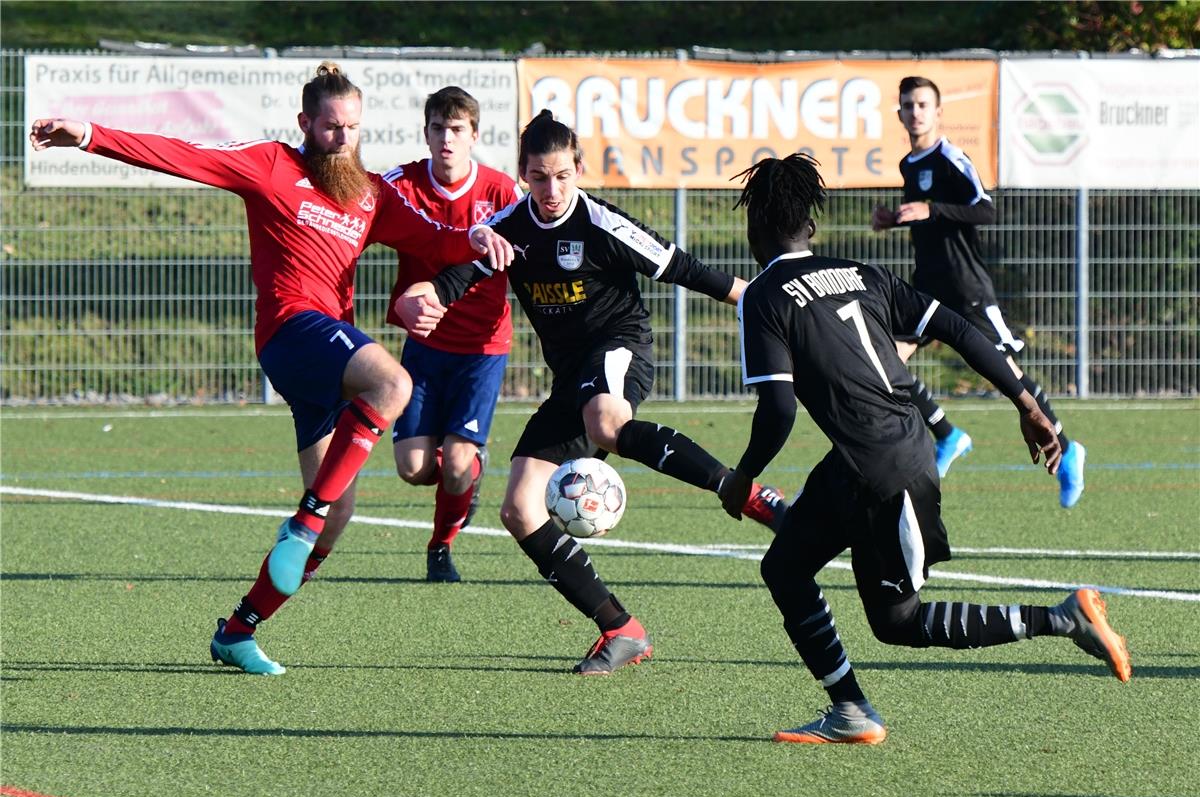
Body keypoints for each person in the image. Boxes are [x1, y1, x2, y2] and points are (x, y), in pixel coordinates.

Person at [29, 62, 514, 676]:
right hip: (292, 330)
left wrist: (476, 241)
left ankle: (238, 629)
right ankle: (301, 521)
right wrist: (91, 134)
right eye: (332, 127)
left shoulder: (368, 193)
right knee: (392, 384)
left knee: (339, 514)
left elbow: (434, 238)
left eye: (354, 129)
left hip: (327, 357)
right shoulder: (271, 164)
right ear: (305, 123)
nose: (343, 139)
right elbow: (182, 155)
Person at [720, 153, 1130, 745]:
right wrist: (1031, 406)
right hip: (890, 450)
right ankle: (849, 711)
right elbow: (961, 331)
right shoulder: (862, 274)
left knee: (898, 623)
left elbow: (779, 409)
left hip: (880, 472)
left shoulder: (765, 296)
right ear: (811, 227)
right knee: (785, 564)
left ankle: (1061, 619)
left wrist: (742, 477)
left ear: (754, 228)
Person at [397, 110, 788, 676]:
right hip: (571, 381)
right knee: (519, 508)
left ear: (578, 169)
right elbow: (461, 277)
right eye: (538, 177)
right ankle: (620, 628)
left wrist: (773, 307)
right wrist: (427, 294)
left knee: (606, 420)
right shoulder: (510, 228)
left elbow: (687, 269)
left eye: (561, 175)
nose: (551, 190)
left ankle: (747, 494)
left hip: (619, 350)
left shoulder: (602, 223)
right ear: (523, 174)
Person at [872, 75, 1086, 506]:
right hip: (926, 286)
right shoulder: (908, 165)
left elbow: (985, 209)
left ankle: (1067, 447)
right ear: (899, 113)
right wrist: (896, 219)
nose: (914, 113)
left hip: (966, 286)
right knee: (884, 358)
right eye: (907, 106)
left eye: (922, 105)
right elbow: (929, 222)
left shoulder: (952, 157)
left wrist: (932, 209)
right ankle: (947, 434)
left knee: (1006, 373)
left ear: (937, 112)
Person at [382, 87, 522, 582]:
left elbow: (533, 255)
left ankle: (440, 547)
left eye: (457, 129)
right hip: (424, 345)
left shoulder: (503, 193)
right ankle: (467, 478)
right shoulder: (399, 186)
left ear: (474, 136)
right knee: (413, 468)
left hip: (483, 348)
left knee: (458, 462)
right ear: (426, 133)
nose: (447, 139)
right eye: (438, 129)